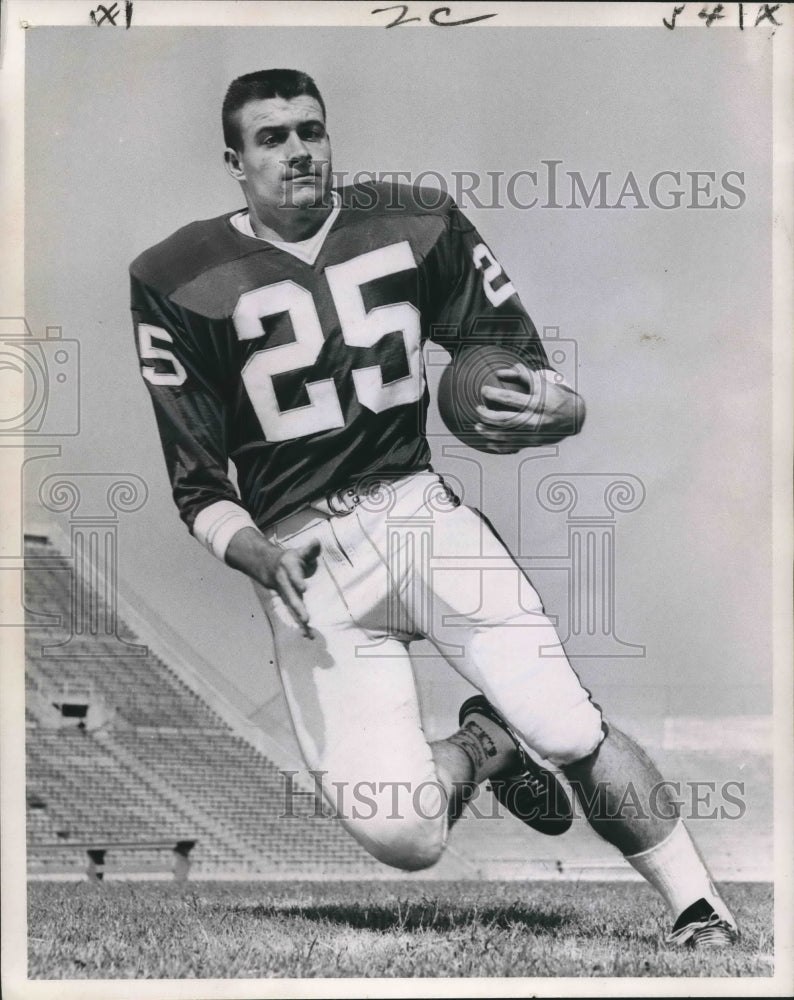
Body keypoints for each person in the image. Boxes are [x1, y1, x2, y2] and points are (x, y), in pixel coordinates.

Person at [131, 68, 738, 948]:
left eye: (312, 129)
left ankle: (701, 909)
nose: (299, 150)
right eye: (273, 138)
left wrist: (563, 408)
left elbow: (509, 359)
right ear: (235, 160)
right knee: (403, 833)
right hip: (303, 557)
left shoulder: (413, 219)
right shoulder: (175, 276)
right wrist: (258, 553)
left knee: (564, 723)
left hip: (419, 514)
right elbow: (197, 483)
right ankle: (484, 749)